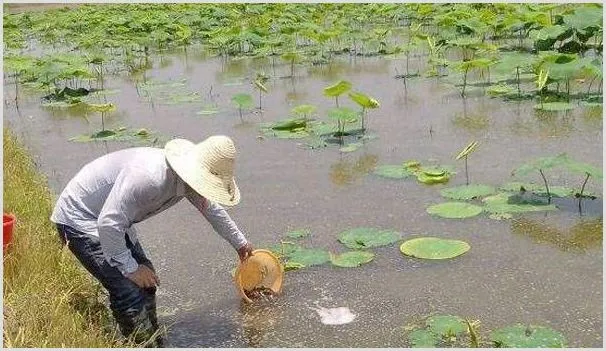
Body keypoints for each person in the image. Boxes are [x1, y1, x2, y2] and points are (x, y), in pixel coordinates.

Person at [50, 135, 254, 346]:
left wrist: (240, 243)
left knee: (148, 283)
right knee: (127, 290)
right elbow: (108, 224)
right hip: (80, 221)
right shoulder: (149, 179)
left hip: (114, 218)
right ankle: (140, 344)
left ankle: (153, 339)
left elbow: (211, 210)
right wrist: (131, 269)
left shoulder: (187, 180)